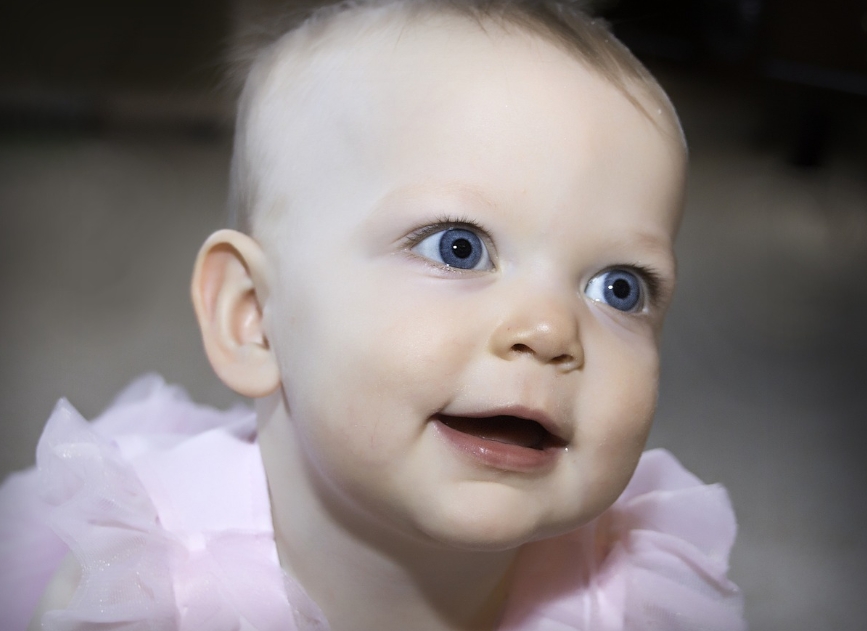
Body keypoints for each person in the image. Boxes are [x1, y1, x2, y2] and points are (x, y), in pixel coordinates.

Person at [1, 1, 747, 629]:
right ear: (253, 316)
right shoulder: (147, 590)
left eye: (619, 288)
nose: (551, 331)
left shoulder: (636, 594)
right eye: (459, 248)